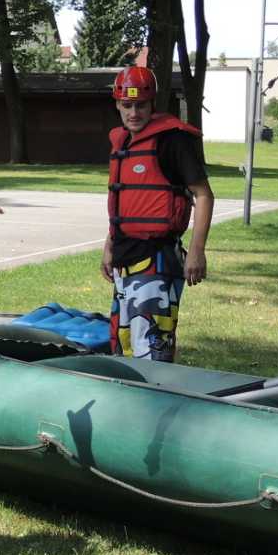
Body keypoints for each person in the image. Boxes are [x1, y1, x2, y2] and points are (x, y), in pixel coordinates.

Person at [101, 66, 215, 362]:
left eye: (141, 105)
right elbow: (124, 202)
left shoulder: (172, 141)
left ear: (153, 104)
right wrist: (109, 245)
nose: (134, 112)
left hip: (158, 260)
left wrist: (197, 252)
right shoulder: (122, 142)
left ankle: (156, 401)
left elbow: (203, 195)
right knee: (123, 344)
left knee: (151, 348)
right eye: (127, 105)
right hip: (125, 259)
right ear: (117, 105)